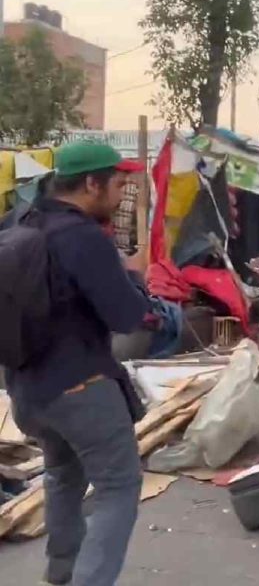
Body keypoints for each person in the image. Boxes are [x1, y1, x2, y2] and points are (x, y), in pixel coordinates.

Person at [2, 141, 149, 586]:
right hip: (80, 387)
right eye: (119, 184)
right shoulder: (84, 237)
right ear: (91, 183)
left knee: (63, 472)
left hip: (27, 390)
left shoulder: (21, 221)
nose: (122, 194)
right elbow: (126, 316)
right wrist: (135, 276)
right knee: (119, 486)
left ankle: (62, 572)